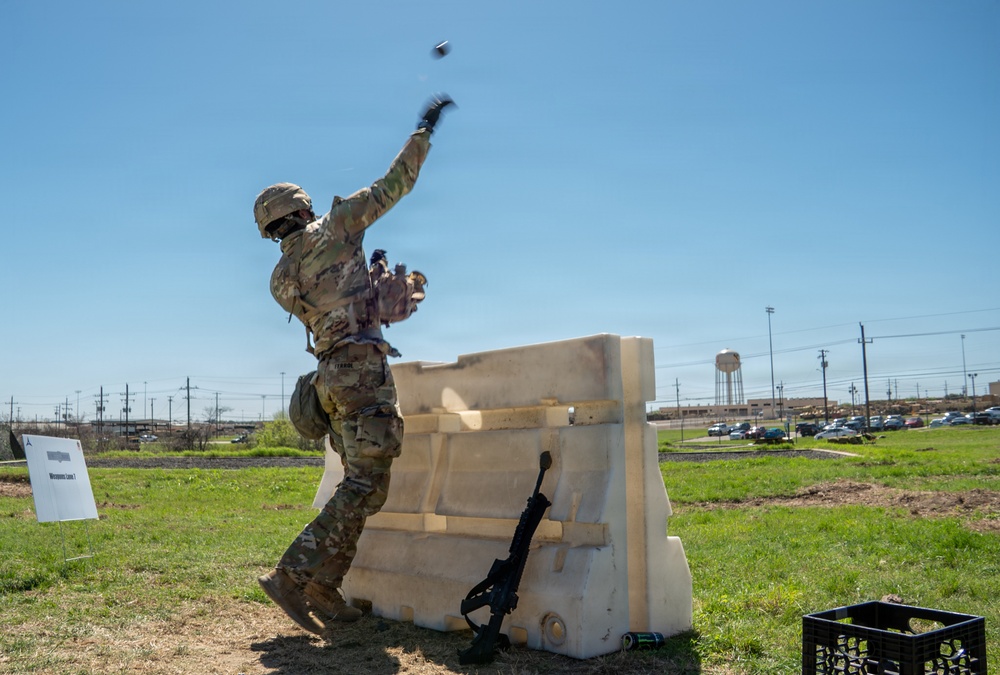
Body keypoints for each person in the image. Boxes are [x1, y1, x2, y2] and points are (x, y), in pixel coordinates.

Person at [253, 96, 453, 634]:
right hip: (361, 372)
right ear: (301, 209)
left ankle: (325, 585)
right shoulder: (335, 229)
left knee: (369, 483)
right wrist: (423, 133)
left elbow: (334, 308)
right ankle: (294, 575)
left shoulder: (279, 279)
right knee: (366, 484)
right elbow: (395, 185)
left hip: (329, 381)